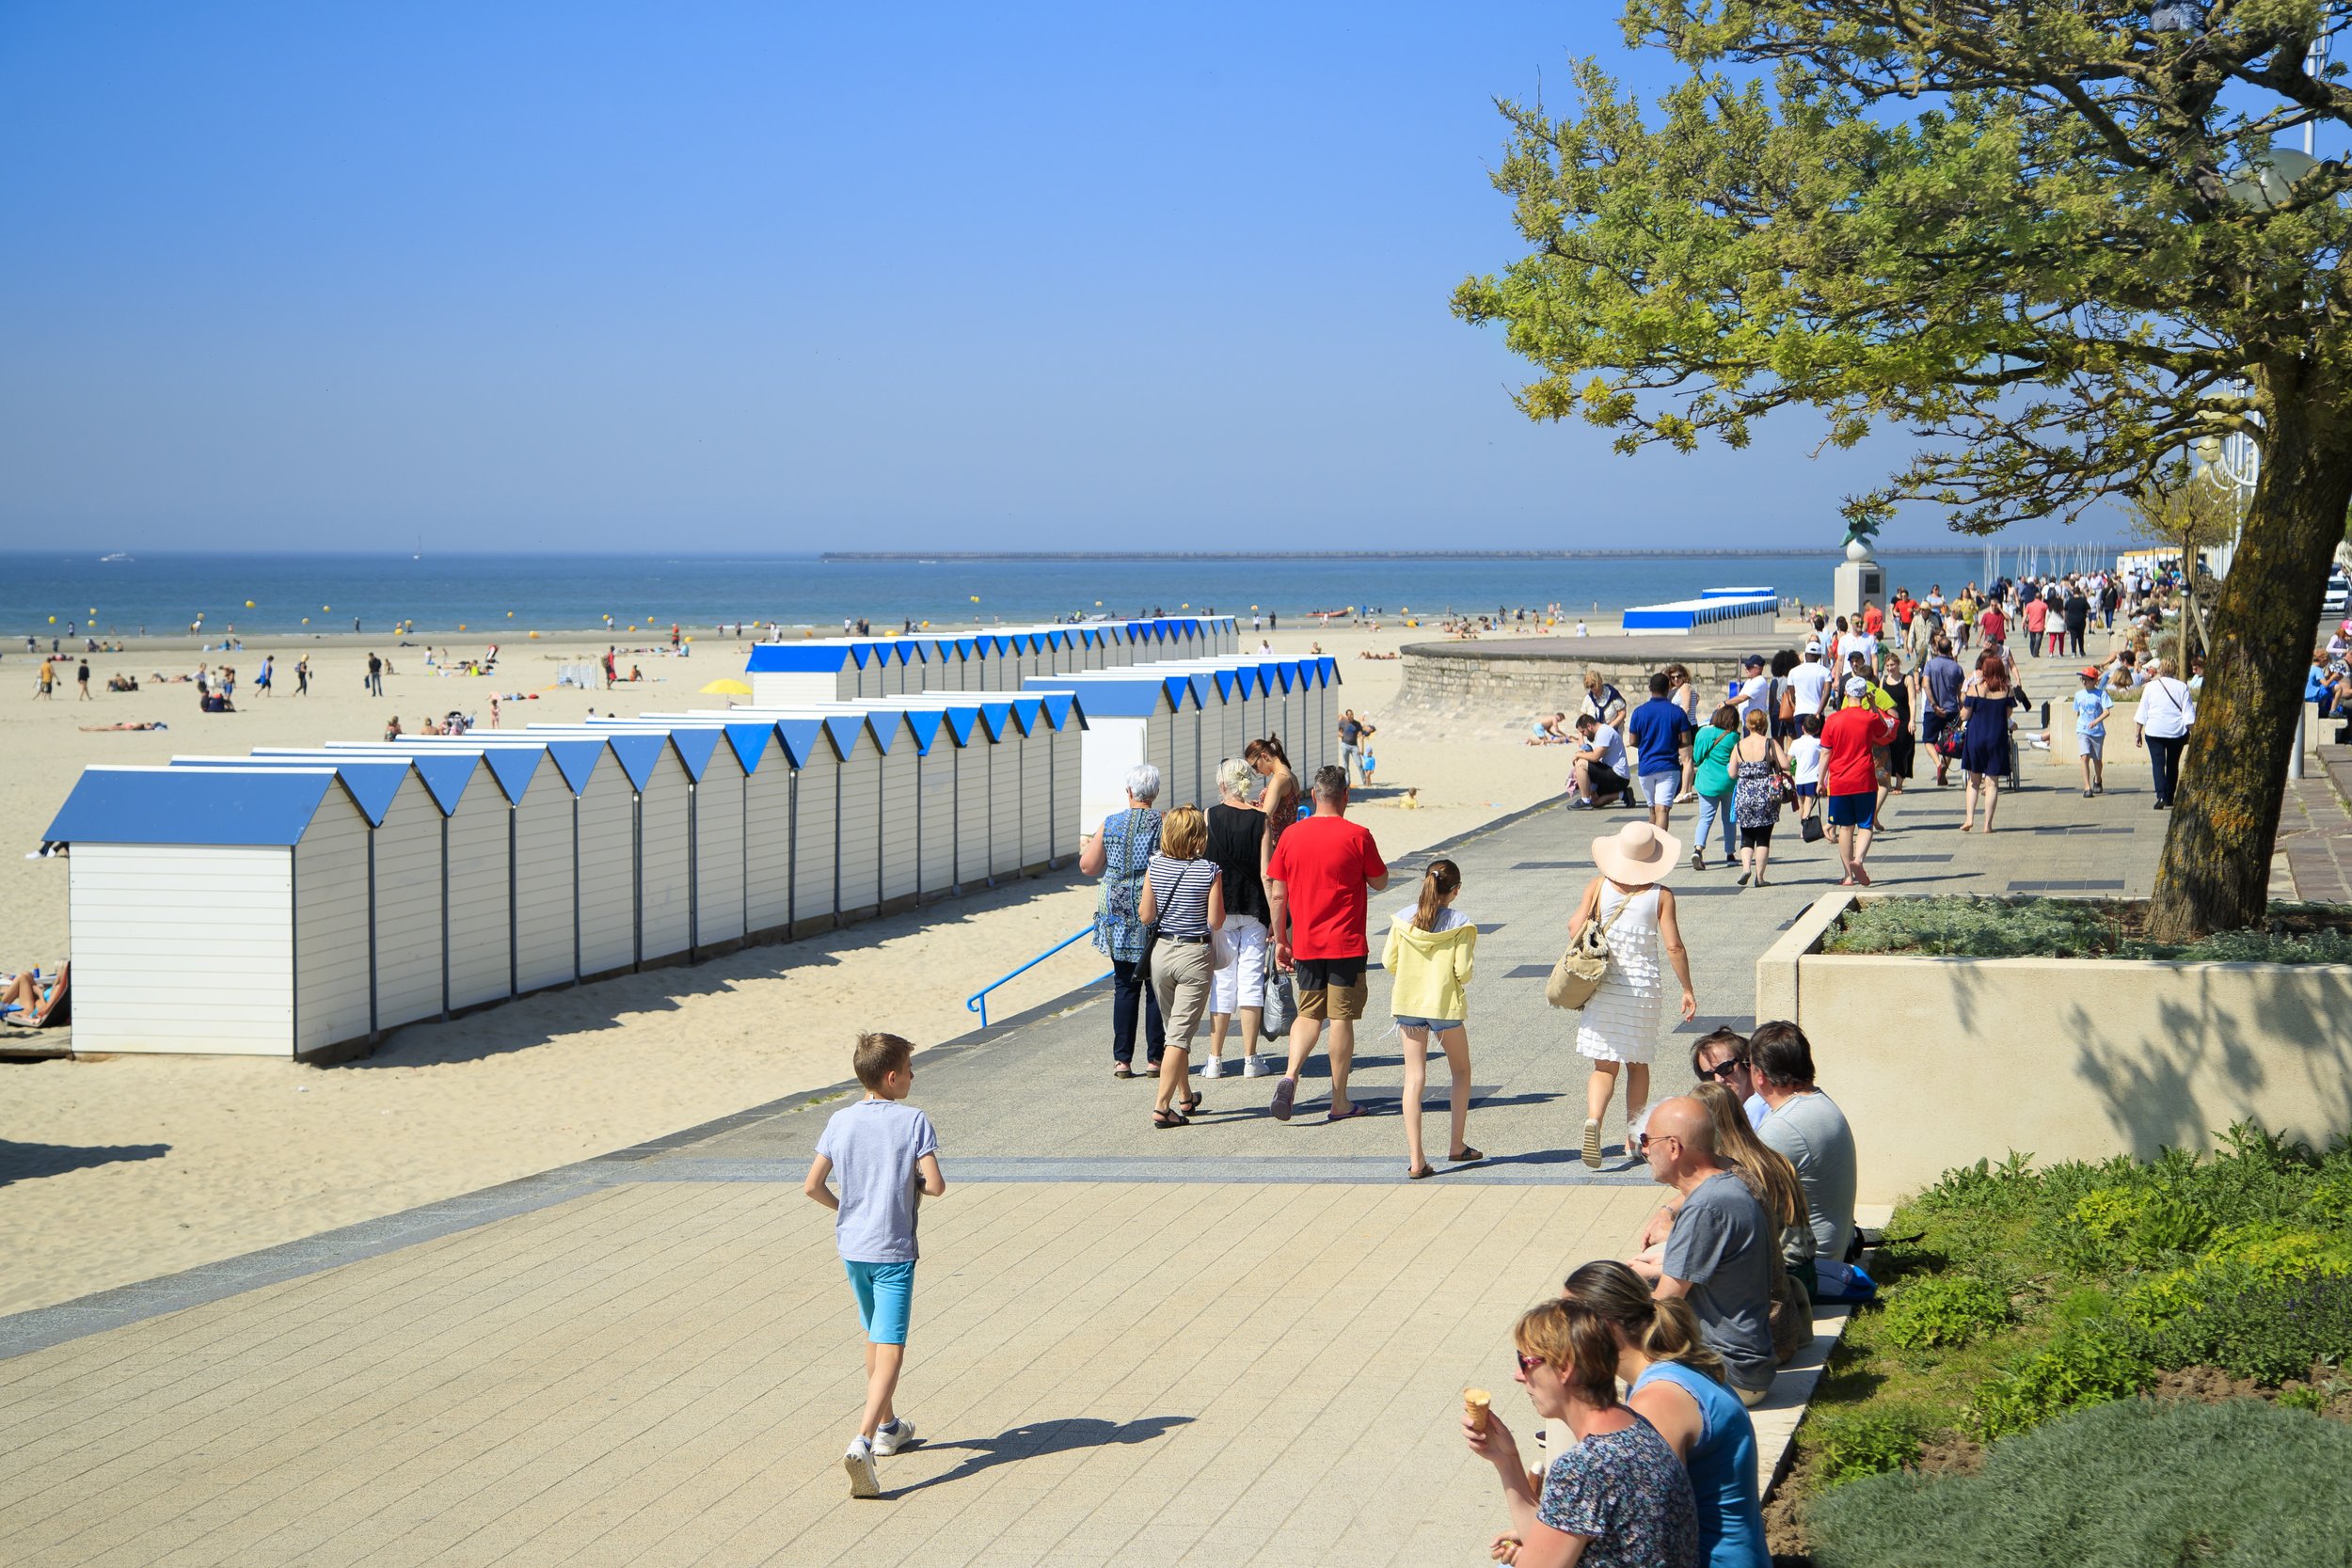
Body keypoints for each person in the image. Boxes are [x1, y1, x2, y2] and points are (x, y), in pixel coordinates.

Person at [803, 1031, 946, 1498]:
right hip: (894, 1249)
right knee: (892, 1346)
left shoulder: (839, 1120)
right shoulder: (913, 1120)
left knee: (874, 1336)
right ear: (891, 1076)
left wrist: (846, 1209)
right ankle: (862, 1439)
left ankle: (889, 1426)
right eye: (909, 1069)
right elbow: (936, 1184)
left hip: (853, 1246)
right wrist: (915, 1187)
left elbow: (812, 1186)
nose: (912, 1076)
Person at [1461, 1300, 1701, 1568]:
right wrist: (1507, 1460)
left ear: (1564, 1369)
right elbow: (1548, 1542)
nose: (1519, 1375)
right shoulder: (1641, 1429)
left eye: (1525, 1361)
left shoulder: (1584, 1468)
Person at [1563, 1261, 1770, 1568]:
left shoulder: (1658, 1400)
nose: (1559, 1336)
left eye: (1567, 1323)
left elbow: (1646, 1524)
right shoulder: (1668, 1371)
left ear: (1603, 1327)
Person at [1629, 1098, 1776, 1406]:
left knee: (1606, 1342)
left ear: (1673, 1147)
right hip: (1747, 1365)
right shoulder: (1727, 1185)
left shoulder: (1706, 1207)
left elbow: (1665, 1305)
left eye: (1646, 1140)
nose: (1643, 1150)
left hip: (1730, 1372)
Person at [1266, 766, 1390, 1121]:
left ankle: (1290, 1075)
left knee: (1308, 1014)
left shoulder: (1291, 836)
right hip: (1346, 943)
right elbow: (1380, 881)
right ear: (1345, 796)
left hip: (1305, 941)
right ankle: (1339, 1101)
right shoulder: (1358, 835)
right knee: (1340, 1019)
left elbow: (1278, 894)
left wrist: (1281, 939)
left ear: (1314, 796)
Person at [1573, 823, 1698, 1168]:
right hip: (1642, 987)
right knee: (1637, 1063)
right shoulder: (1661, 894)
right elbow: (1673, 946)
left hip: (1603, 982)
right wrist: (1687, 988)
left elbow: (1574, 927)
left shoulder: (1598, 886)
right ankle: (1632, 1137)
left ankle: (1594, 1119)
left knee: (1604, 1065)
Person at [1748, 1022, 1866, 1302]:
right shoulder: (1818, 1102)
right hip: (1836, 1250)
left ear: (1760, 1074)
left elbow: (1743, 1198)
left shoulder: (1783, 1127)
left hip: (1810, 1267)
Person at [1381, 858, 1479, 1179]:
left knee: (1414, 1078)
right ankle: (1456, 1144)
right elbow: (1463, 972)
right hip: (1443, 1004)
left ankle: (1416, 1158)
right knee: (1461, 1071)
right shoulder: (1460, 925)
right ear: (1455, 891)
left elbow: (1388, 961)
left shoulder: (1403, 919)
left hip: (1408, 1003)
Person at [1141, 806, 1224, 1129]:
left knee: (1174, 1030)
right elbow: (1216, 920)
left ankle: (1186, 1097)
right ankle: (1162, 1107)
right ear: (1197, 836)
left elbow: (1146, 915)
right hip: (1193, 953)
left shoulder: (1155, 865)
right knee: (1178, 1036)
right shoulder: (1209, 870)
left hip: (1161, 952)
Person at [1080, 765, 1166, 1076]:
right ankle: (1155, 1059)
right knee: (1156, 985)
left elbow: (1088, 866)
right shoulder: (1163, 822)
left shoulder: (1111, 822)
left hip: (1116, 909)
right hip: (1152, 903)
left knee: (1125, 985)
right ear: (1154, 793)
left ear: (1129, 792)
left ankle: (1122, 1059)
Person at [1205, 758, 1272, 1078]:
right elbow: (1265, 871)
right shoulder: (1262, 819)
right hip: (1255, 906)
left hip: (1220, 907)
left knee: (1222, 982)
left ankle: (1215, 1059)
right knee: (1250, 981)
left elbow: (1205, 867)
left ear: (1222, 785)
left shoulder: (1210, 817)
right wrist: (1275, 914)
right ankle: (1250, 1058)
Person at [1819, 678, 1897, 886]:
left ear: (1846, 694)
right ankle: (1859, 860)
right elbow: (1885, 730)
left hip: (1840, 780)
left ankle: (1847, 876)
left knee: (1845, 827)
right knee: (1866, 824)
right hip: (1864, 778)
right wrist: (1873, 706)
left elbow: (1826, 752)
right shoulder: (1870, 718)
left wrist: (1820, 781)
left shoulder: (1832, 720)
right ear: (1864, 695)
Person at [1625, 673, 1696, 832]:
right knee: (1662, 810)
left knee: (1652, 810)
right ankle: (1660, 849)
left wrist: (1647, 744)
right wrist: (1671, 743)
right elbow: (1686, 741)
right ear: (1668, 688)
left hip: (1646, 766)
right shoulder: (1677, 712)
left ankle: (1651, 848)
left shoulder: (1639, 712)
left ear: (1650, 688)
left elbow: (1632, 741)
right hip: (1668, 766)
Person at [1958, 652, 2020, 832]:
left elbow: (1965, 715)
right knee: (1992, 783)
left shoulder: (1976, 689)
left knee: (1973, 781)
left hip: (1976, 737)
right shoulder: (2007, 690)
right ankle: (1988, 825)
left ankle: (1969, 819)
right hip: (1996, 737)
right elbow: (2008, 714)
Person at [1724, 714, 1786, 890]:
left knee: (1746, 835)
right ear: (1764, 724)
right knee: (1763, 837)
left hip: (1744, 796)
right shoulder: (1769, 743)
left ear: (1748, 725)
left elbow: (1732, 773)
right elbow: (1785, 764)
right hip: (1766, 796)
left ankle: (1745, 868)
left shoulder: (1739, 746)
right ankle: (1759, 877)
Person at [2135, 656, 2196, 810]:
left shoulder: (2150, 687)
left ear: (2160, 670)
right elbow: (2188, 715)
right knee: (2172, 764)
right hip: (2176, 732)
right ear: (2175, 669)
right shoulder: (2182, 687)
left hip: (2155, 731)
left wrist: (2138, 733)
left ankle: (2161, 795)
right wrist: (2193, 733)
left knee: (2158, 763)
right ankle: (2169, 796)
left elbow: (2142, 711)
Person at [1688, 704, 1740, 872]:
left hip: (1707, 781)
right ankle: (1730, 855)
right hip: (1728, 782)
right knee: (1729, 819)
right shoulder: (1734, 737)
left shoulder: (1703, 733)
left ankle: (1698, 849)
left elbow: (1696, 757)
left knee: (1705, 818)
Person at [1691, 1027, 1768, 1129]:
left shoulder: (1759, 1108)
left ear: (1747, 1062)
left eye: (1724, 1069)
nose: (1718, 1081)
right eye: (1708, 1076)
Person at [1918, 639, 1965, 786]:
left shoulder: (1930, 665)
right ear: (1951, 649)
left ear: (1937, 649)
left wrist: (1934, 704)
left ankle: (1939, 764)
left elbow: (1925, 685)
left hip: (1932, 710)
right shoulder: (1957, 668)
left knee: (1928, 741)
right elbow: (1961, 693)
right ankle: (1942, 773)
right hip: (1951, 710)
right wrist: (1962, 711)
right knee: (1949, 743)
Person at [1567, 713, 1633, 810]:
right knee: (1595, 802)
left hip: (1618, 776)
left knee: (1581, 764)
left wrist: (1578, 755)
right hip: (1616, 776)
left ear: (1589, 726)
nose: (1584, 735)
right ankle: (1623, 795)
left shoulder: (1604, 732)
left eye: (1583, 732)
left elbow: (1595, 757)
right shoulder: (1601, 732)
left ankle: (1584, 800)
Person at [2074, 666, 2113, 798]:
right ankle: (2087, 787)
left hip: (2097, 732)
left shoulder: (2101, 694)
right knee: (2084, 757)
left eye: (2087, 679)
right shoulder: (2078, 695)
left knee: (2097, 760)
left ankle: (2098, 778)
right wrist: (2082, 724)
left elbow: (2107, 711)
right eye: (2082, 679)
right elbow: (2078, 712)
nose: (2084, 682)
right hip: (2083, 730)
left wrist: (2096, 721)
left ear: (2094, 681)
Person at [1787, 641, 1833, 726]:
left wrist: (1799, 706)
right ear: (1819, 656)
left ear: (1805, 654)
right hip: (1817, 712)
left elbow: (1792, 696)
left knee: (1801, 739)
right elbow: (1827, 693)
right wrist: (1818, 712)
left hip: (1800, 712)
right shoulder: (1825, 671)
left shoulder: (1793, 672)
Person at [1337, 708, 1375, 786]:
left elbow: (1361, 736)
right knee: (1345, 765)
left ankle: (1365, 781)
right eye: (1350, 715)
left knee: (1359, 764)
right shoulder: (1343, 722)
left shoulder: (1357, 724)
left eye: (1352, 714)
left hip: (1354, 746)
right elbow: (1336, 730)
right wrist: (1341, 735)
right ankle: (1347, 782)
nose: (1351, 716)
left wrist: (1361, 748)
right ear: (1347, 716)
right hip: (1345, 745)